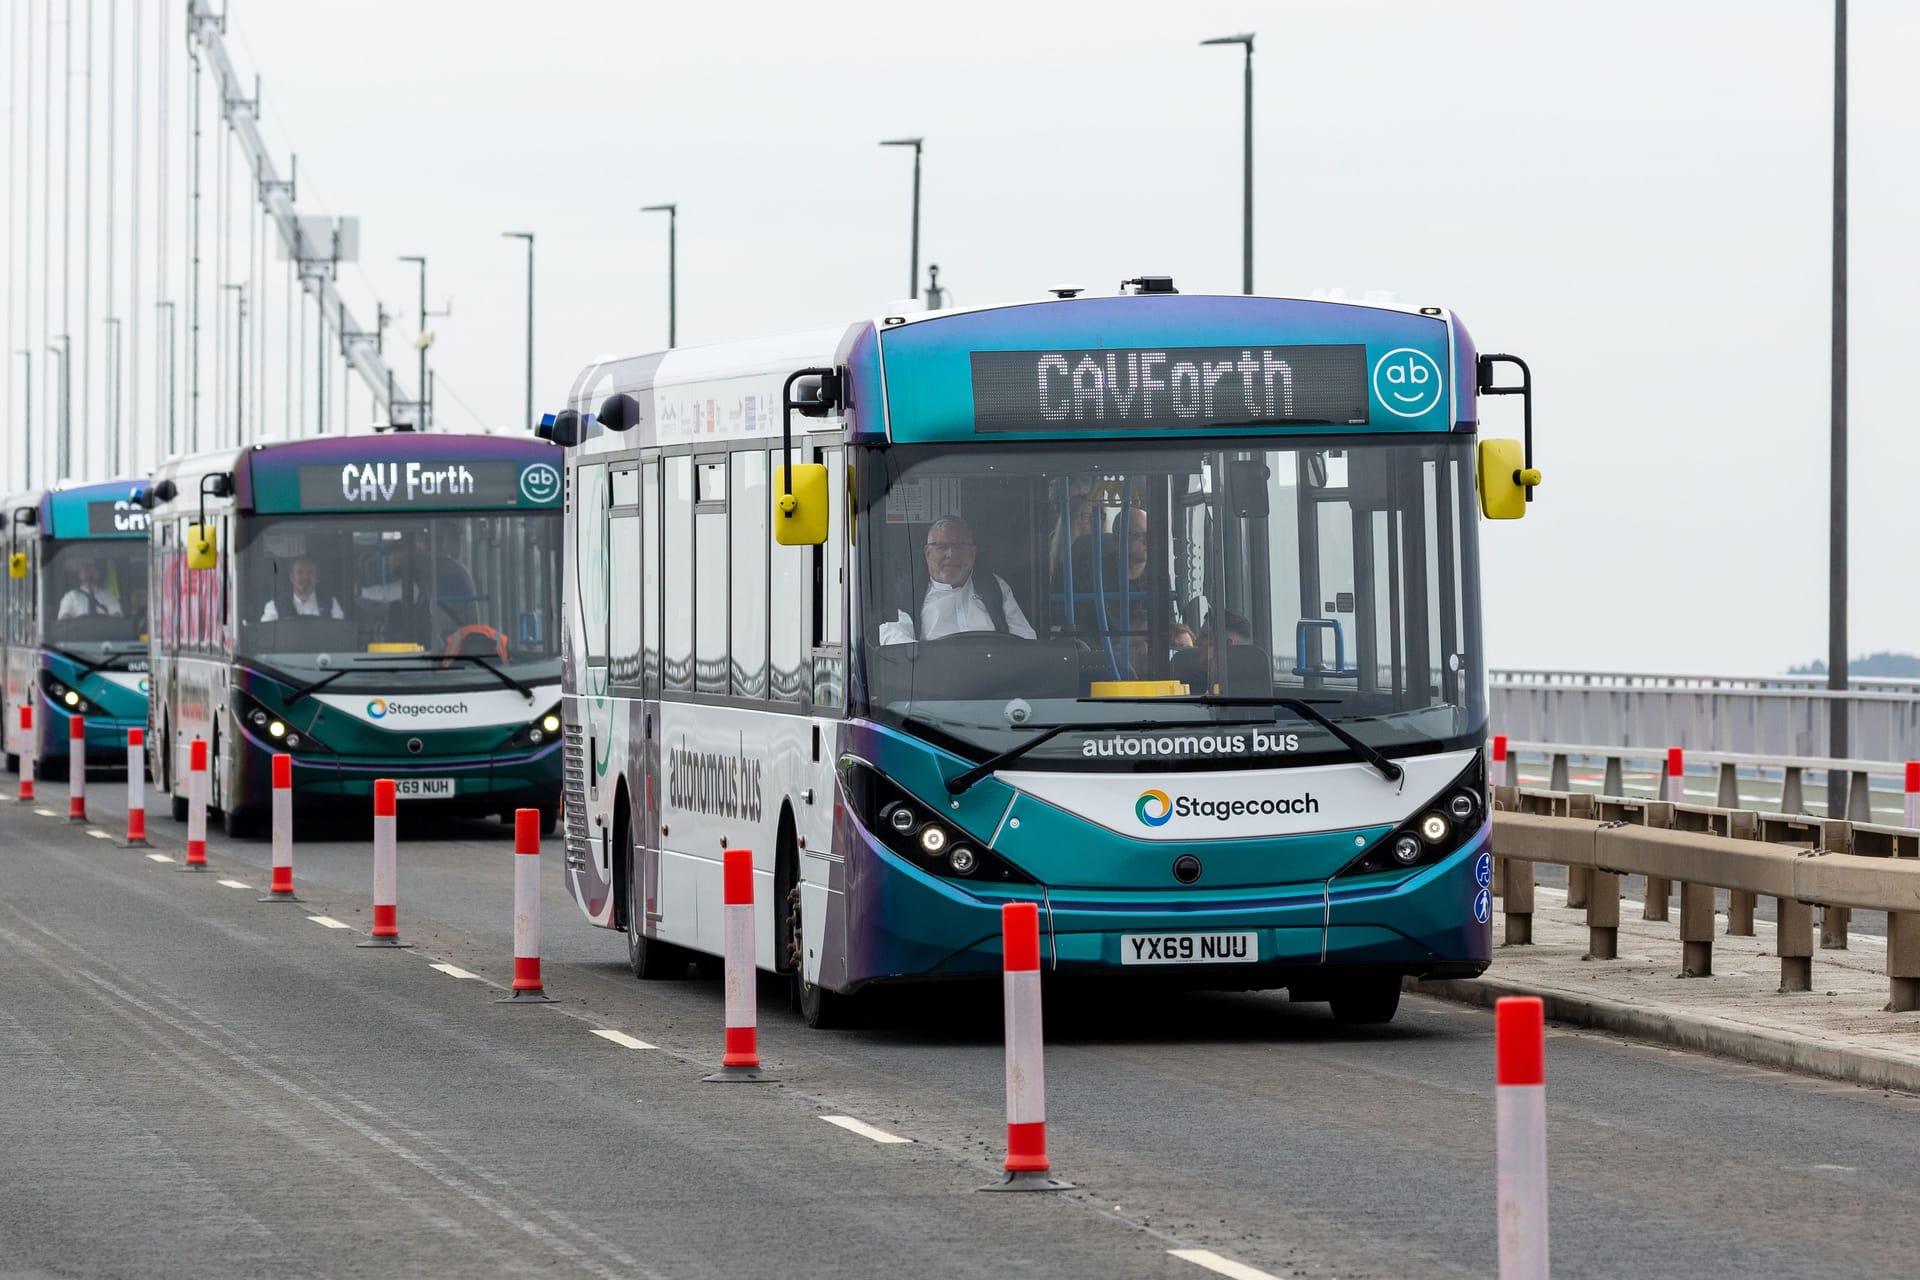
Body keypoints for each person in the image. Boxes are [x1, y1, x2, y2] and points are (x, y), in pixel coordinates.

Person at [878, 515, 1035, 644]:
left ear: (973, 553)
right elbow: (893, 639)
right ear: (927, 553)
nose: (951, 554)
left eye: (959, 547)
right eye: (942, 547)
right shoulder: (907, 593)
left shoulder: (995, 586)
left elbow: (1025, 639)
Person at [260, 556, 346, 621]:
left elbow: (341, 636)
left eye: (310, 572)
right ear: (292, 578)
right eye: (300, 572)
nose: (305, 577)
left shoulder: (331, 604)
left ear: (317, 578)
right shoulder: (274, 606)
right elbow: (266, 637)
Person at [56, 560, 123, 619]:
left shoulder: (108, 595)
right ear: (79, 575)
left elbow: (117, 616)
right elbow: (64, 618)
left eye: (92, 571)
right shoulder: (70, 596)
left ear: (98, 574)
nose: (89, 574)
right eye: (85, 571)